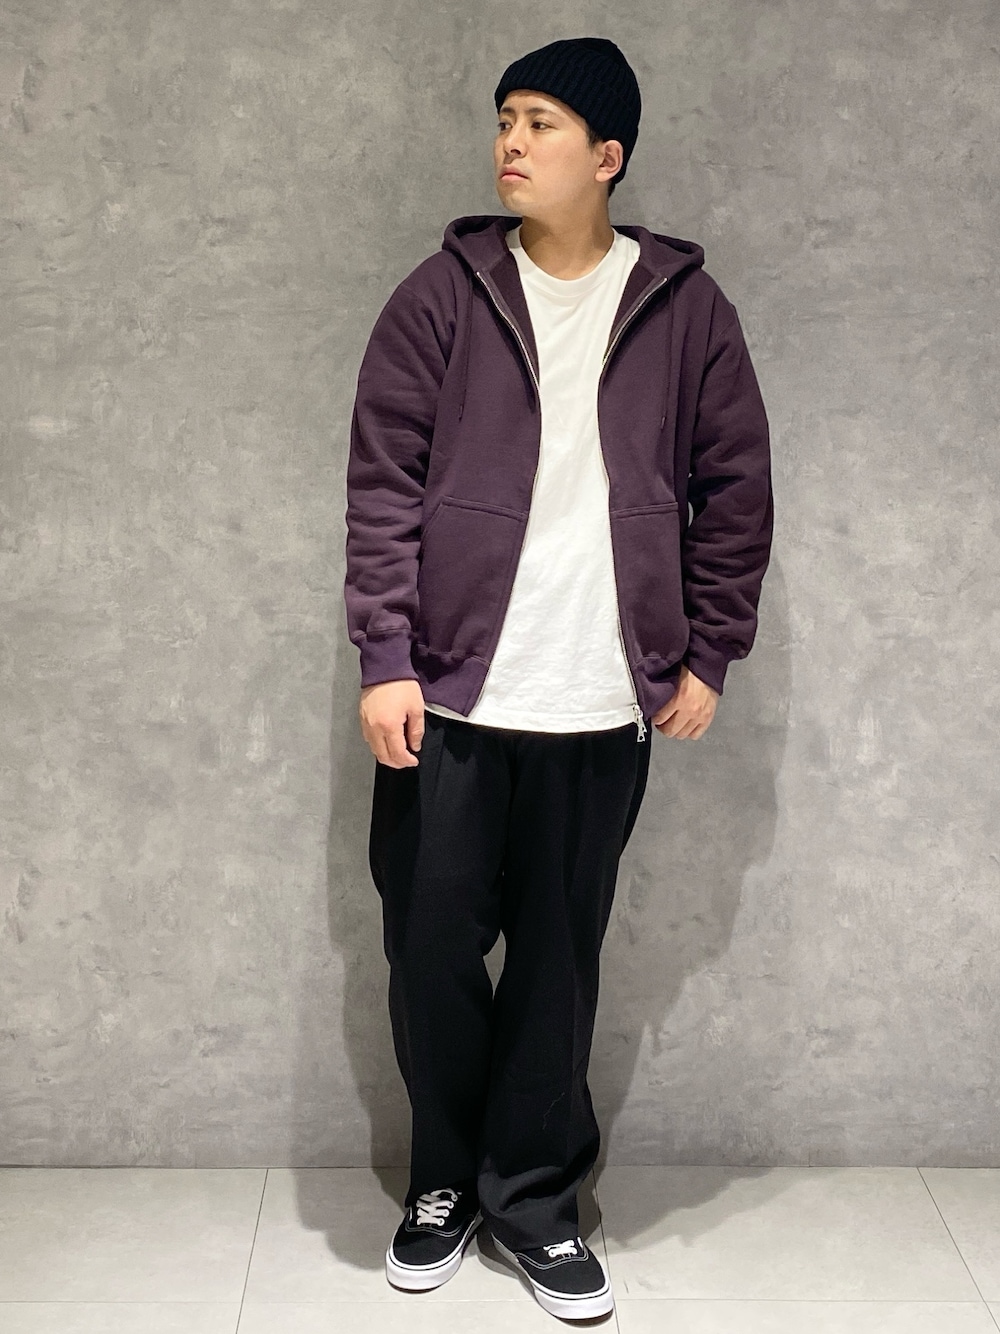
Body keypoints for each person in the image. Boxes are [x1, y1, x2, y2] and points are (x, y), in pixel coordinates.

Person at [343, 36, 773, 1321]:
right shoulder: (443, 294)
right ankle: (444, 1180)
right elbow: (382, 484)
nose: (510, 143)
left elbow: (736, 490)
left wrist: (707, 648)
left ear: (607, 155)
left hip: (597, 698)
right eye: (504, 120)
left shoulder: (686, 308)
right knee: (428, 944)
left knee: (556, 961)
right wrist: (385, 655)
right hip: (452, 694)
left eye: (539, 123)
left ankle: (532, 1200)